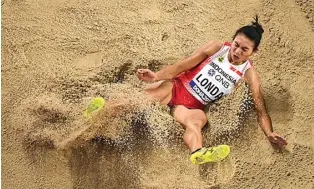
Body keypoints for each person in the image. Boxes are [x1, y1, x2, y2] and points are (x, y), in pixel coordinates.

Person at [136, 16, 287, 165]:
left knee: (196, 122)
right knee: (139, 101)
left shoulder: (249, 73)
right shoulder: (216, 48)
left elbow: (260, 109)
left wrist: (269, 133)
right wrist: (156, 76)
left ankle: (198, 153)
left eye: (244, 49)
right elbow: (182, 66)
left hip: (192, 107)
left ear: (254, 52)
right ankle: (111, 113)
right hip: (176, 87)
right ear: (232, 40)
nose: (237, 51)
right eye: (236, 44)